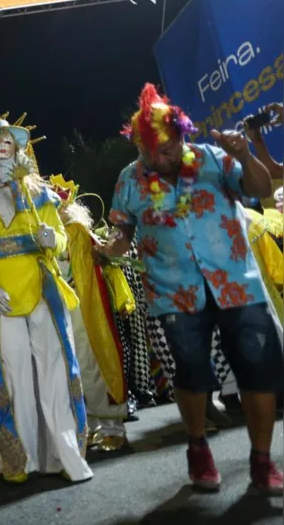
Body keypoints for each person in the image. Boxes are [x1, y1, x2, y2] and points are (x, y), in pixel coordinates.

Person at [99, 83, 283, 494]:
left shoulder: (214, 159)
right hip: (173, 291)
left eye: (165, 150)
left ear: (182, 136)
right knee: (193, 376)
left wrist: (243, 154)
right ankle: (198, 447)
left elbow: (260, 189)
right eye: (148, 152)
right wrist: (108, 247)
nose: (157, 160)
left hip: (237, 282)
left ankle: (262, 461)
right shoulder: (129, 179)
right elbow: (123, 230)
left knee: (257, 373)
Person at [0, 111, 92, 484]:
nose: (1, 145)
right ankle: (20, 458)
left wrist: (53, 239)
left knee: (56, 371)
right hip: (3, 298)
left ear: (16, 149)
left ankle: (64, 454)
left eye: (7, 141)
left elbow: (60, 238)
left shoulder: (39, 195)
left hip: (42, 292)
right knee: (13, 377)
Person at [50, 175, 131, 451]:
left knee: (93, 363)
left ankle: (112, 427)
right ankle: (92, 425)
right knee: (71, 368)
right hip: (61, 309)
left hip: (85, 307)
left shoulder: (76, 231)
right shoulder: (46, 233)